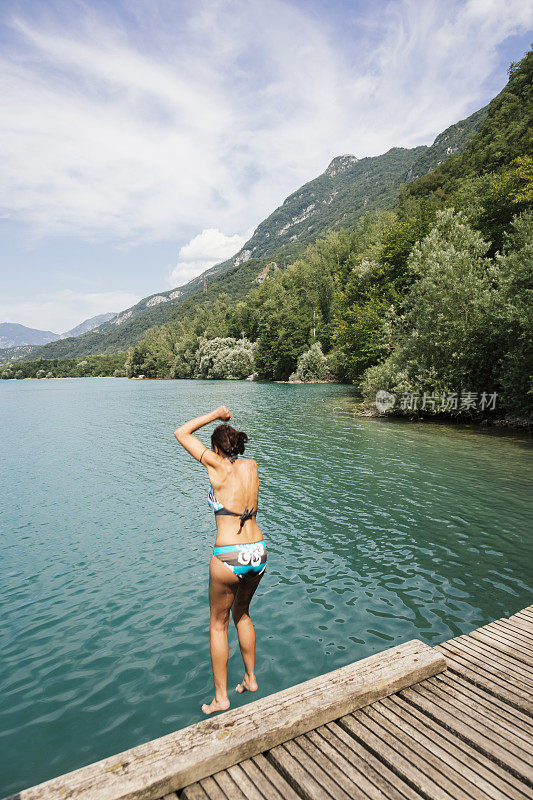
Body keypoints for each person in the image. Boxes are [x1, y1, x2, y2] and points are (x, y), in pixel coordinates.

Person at [174, 405, 267, 715]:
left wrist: (216, 414)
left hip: (228, 556)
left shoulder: (215, 464)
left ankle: (221, 698)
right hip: (258, 553)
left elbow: (181, 433)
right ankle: (251, 679)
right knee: (242, 613)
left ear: (216, 449)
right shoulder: (252, 466)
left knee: (217, 624)